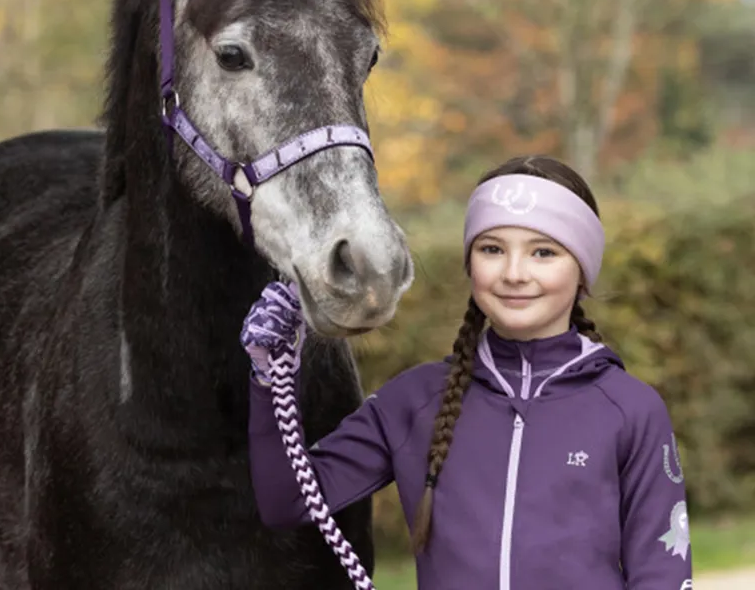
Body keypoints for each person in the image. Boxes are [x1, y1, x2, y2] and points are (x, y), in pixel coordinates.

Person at [240, 155, 692, 590]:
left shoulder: (630, 409)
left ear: (582, 270)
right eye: (492, 249)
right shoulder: (413, 402)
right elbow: (289, 501)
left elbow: (662, 575)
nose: (514, 273)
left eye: (544, 252)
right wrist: (269, 377)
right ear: (470, 263)